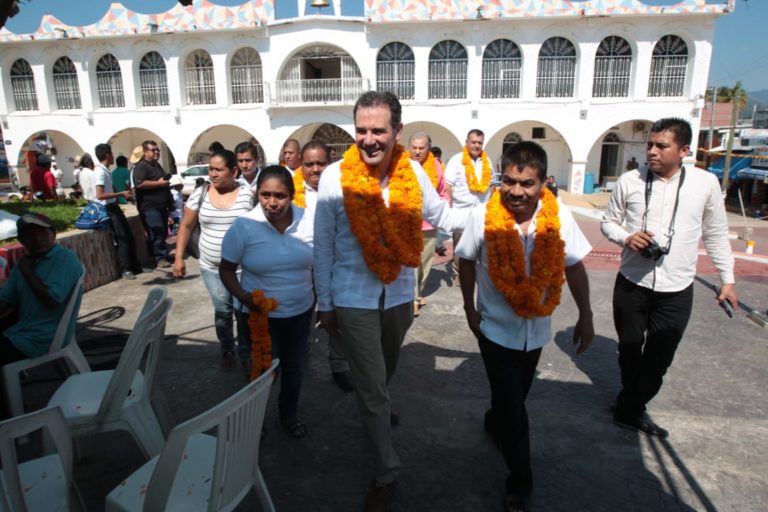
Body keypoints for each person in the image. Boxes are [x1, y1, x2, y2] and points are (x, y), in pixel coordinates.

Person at [313, 91, 468, 511]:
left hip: (400, 292)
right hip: (352, 295)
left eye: (378, 130)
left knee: (385, 370)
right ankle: (385, 471)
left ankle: (376, 407)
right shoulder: (333, 177)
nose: (368, 139)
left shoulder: (413, 171)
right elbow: (323, 245)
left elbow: (441, 216)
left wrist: (494, 214)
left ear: (396, 131)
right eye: (361, 130)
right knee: (371, 385)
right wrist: (325, 302)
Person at [456, 141, 594, 512]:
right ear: (501, 178)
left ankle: (493, 420)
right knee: (515, 409)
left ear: (545, 183)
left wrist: (586, 315)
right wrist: (468, 308)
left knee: (513, 399)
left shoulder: (560, 217)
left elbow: (575, 265)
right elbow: (466, 260)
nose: (516, 191)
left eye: (527, 183)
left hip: (537, 330)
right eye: (509, 181)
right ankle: (520, 482)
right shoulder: (482, 216)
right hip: (495, 329)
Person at [601, 117, 737, 438]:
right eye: (649, 144)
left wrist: (727, 279)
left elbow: (716, 234)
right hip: (632, 283)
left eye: (662, 146)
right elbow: (608, 222)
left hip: (677, 290)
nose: (652, 151)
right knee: (630, 350)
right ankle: (632, 409)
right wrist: (626, 238)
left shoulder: (705, 184)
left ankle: (628, 407)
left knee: (658, 361)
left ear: (684, 150)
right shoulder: (629, 180)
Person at [220, 166, 314, 438]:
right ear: (257, 194)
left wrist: (322, 304)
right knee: (260, 373)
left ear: (293, 195)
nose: (272, 203)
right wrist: (244, 298)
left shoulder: (309, 221)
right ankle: (255, 420)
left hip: (298, 315)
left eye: (280, 196)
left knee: (294, 371)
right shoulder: (245, 226)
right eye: (265, 195)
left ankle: (289, 416)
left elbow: (321, 266)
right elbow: (226, 269)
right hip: (258, 318)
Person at [174, 149, 254, 370]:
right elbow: (186, 226)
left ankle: (247, 354)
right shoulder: (200, 194)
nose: (214, 174)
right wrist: (178, 258)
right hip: (212, 268)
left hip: (241, 270)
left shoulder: (248, 195)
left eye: (219, 169)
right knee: (222, 311)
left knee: (243, 313)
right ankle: (227, 349)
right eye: (211, 169)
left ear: (234, 171)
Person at [294, 141, 353, 393]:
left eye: (321, 163)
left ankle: (339, 365)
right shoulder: (290, 192)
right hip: (301, 268)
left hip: (335, 265)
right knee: (302, 318)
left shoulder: (342, 188)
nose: (316, 169)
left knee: (336, 318)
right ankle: (299, 355)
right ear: (301, 165)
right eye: (310, 164)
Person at [0, 213, 84, 384]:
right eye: (30, 234)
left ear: (53, 234)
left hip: (40, 339)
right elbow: (6, 299)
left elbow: (51, 301)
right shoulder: (27, 262)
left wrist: (28, 273)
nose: (37, 238)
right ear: (22, 240)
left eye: (42, 232)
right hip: (21, 331)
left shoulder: (63, 258)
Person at [407, 131, 448, 317]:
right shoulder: (403, 166)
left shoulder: (437, 166)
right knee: (411, 263)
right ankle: (412, 298)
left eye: (421, 148)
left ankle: (419, 291)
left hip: (429, 225)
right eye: (414, 148)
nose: (416, 152)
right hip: (408, 223)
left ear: (428, 149)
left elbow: (442, 193)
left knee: (425, 262)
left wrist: (441, 213)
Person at [445, 129, 493, 282]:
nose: (477, 145)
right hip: (461, 211)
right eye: (473, 142)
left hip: (481, 211)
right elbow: (448, 186)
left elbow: (492, 185)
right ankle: (459, 274)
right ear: (466, 142)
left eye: (480, 143)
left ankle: (477, 273)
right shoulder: (456, 160)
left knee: (480, 244)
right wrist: (450, 208)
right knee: (461, 246)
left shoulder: (487, 161)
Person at [94, 143, 142, 280]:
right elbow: (100, 194)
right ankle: (126, 269)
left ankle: (135, 266)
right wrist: (121, 193)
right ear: (108, 155)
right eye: (112, 154)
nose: (113, 156)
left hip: (114, 206)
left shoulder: (106, 171)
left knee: (129, 237)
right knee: (122, 239)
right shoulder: (100, 172)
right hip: (108, 208)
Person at [132, 140, 173, 268]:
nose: (157, 152)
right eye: (153, 150)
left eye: (157, 150)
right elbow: (139, 184)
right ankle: (159, 258)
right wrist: (159, 184)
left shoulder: (156, 165)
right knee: (156, 231)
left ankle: (162, 254)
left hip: (161, 205)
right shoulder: (142, 166)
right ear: (145, 152)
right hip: (150, 206)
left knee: (162, 231)